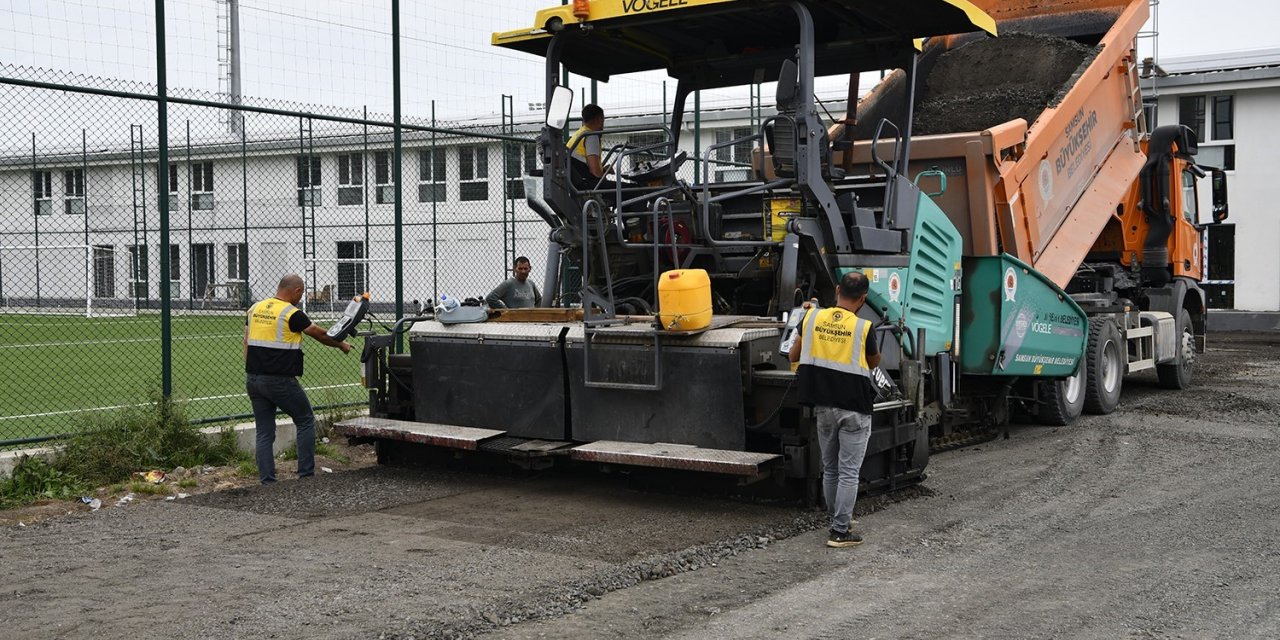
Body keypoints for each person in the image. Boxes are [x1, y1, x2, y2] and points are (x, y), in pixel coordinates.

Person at [788, 271, 880, 548]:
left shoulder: (812, 317)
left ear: (838, 289)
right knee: (849, 471)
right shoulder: (865, 327)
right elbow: (873, 363)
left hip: (824, 405)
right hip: (854, 408)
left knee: (830, 469)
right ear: (863, 298)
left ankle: (837, 520)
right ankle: (840, 531)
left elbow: (793, 355)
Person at [244, 274, 353, 484]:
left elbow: (246, 341)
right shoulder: (291, 313)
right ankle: (306, 476)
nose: (300, 297)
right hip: (280, 381)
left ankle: (267, 481)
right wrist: (341, 344)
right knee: (305, 420)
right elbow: (320, 334)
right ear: (296, 291)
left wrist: (251, 372)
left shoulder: (255, 308)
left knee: (264, 431)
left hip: (254, 379)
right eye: (301, 293)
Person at [566, 103, 621, 191]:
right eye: (603, 120)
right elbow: (595, 172)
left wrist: (603, 170)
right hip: (590, 186)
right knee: (632, 191)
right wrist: (602, 174)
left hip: (579, 183)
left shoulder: (578, 135)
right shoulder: (592, 136)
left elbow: (581, 165)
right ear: (600, 119)